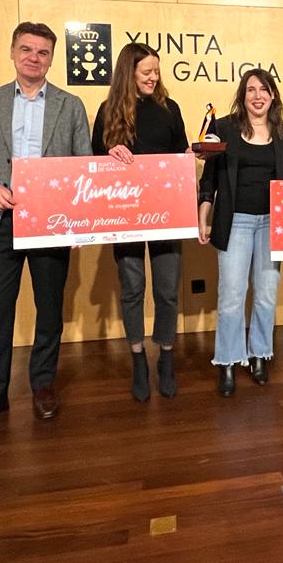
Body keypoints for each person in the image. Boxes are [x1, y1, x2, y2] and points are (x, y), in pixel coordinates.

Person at [0, 22, 91, 434]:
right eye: (26, 49)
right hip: (2, 220)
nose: (34, 57)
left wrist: (78, 225)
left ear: (51, 58)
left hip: (53, 222)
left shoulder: (71, 105)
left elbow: (82, 165)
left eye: (43, 52)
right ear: (13, 52)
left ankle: (43, 384)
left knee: (49, 308)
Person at [91, 43, 188, 402]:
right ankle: (137, 360)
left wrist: (190, 156)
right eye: (147, 71)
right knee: (132, 288)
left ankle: (166, 356)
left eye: (156, 71)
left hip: (167, 215)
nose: (153, 77)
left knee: (167, 289)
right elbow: (93, 163)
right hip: (126, 215)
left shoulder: (170, 108)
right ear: (128, 73)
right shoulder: (108, 111)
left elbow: (181, 155)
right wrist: (109, 153)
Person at [198, 69, 283, 397]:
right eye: (251, 90)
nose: (257, 96)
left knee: (266, 294)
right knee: (231, 296)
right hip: (235, 221)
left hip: (272, 224)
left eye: (264, 90)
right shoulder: (224, 128)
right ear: (243, 96)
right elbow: (209, 178)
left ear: (273, 95)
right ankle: (228, 360)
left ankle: (259, 354)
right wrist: (203, 216)